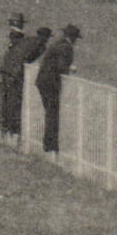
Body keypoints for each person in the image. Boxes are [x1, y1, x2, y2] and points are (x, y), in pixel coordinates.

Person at [36, 24, 81, 155]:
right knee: (52, 114)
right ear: (72, 38)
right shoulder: (67, 47)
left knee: (50, 113)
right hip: (51, 83)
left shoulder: (56, 44)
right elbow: (61, 66)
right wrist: (70, 69)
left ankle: (49, 145)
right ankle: (51, 146)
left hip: (42, 81)